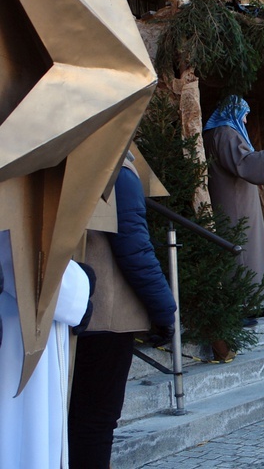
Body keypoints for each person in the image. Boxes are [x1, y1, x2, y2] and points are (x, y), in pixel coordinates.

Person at [68, 153, 178, 468]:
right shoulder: (116, 168)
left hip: (68, 308)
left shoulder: (65, 157)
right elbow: (135, 249)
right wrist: (164, 310)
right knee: (94, 423)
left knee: (73, 419)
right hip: (106, 316)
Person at [1, 257, 92, 468]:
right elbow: (21, 256)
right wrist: (80, 283)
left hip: (29, 324)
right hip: (19, 330)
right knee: (24, 434)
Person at [203, 95, 264, 287]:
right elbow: (242, 162)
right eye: (244, 115)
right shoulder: (225, 133)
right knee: (244, 248)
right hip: (236, 201)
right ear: (233, 112)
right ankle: (246, 296)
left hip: (231, 196)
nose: (245, 120)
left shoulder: (213, 133)